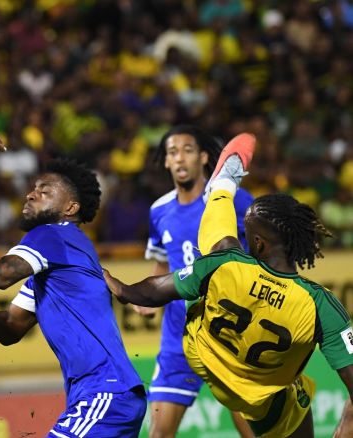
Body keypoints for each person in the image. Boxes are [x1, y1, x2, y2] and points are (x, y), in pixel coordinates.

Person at [105, 133, 353, 437]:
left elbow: (155, 289)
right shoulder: (321, 305)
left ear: (257, 243)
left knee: (219, 228)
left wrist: (120, 288)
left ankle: (222, 186)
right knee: (290, 400)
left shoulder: (224, 263)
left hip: (206, 353)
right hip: (265, 399)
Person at [0, 159, 147, 437]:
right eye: (32, 188)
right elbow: (10, 327)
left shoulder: (52, 234)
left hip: (103, 390)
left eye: (45, 190)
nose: (30, 194)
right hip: (108, 394)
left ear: (70, 208)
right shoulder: (55, 262)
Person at [138, 125, 254, 437]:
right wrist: (149, 297)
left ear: (203, 157)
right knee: (158, 433)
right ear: (165, 162)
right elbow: (162, 262)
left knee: (251, 431)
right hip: (180, 336)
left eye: (187, 150)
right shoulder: (159, 210)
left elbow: (263, 251)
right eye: (172, 152)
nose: (179, 159)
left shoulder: (233, 199)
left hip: (231, 332)